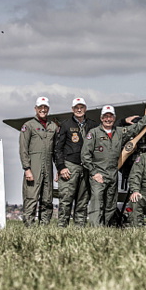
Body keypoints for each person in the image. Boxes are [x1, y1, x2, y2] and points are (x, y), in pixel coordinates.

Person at [81, 102, 146, 227]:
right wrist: (94, 173)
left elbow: (138, 127)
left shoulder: (120, 132)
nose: (108, 119)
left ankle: (105, 227)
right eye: (105, 116)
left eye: (110, 116)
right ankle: (95, 229)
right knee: (97, 202)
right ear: (101, 118)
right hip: (98, 174)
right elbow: (85, 155)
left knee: (111, 205)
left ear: (114, 118)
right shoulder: (94, 133)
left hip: (113, 173)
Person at [54, 97, 99, 227]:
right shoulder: (66, 125)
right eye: (76, 108)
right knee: (66, 199)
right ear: (72, 109)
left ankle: (80, 227)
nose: (79, 110)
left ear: (85, 109)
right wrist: (61, 167)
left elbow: (107, 127)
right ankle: (62, 227)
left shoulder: (93, 125)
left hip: (86, 167)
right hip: (70, 166)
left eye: (81, 107)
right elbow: (58, 148)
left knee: (83, 200)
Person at [19, 96, 57, 227]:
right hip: (34, 166)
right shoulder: (28, 126)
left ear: (48, 109)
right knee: (31, 197)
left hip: (48, 166)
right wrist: (27, 169)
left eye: (45, 107)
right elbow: (23, 148)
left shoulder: (53, 126)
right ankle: (29, 225)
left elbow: (57, 149)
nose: (43, 110)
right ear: (35, 108)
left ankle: (44, 225)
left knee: (47, 197)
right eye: (40, 107)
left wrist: (59, 168)